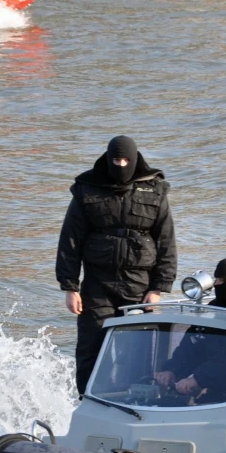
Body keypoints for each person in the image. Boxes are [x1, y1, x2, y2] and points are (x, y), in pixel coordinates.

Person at [56, 136, 176, 394]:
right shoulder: (87, 188)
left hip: (139, 286)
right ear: (107, 159)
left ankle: (133, 400)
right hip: (97, 284)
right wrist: (70, 286)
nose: (121, 165)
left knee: (138, 351)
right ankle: (88, 400)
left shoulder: (154, 189)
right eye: (115, 160)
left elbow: (166, 241)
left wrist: (158, 288)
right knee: (91, 346)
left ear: (134, 160)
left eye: (125, 160)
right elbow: (71, 239)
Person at [154, 257, 226, 402]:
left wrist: (197, 380)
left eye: (220, 280)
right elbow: (191, 346)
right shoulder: (215, 307)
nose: (216, 284)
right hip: (213, 384)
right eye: (215, 279)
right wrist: (172, 370)